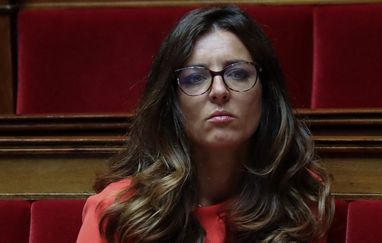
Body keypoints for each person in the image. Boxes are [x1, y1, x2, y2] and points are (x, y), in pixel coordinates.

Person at [76, 5, 333, 243]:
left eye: (239, 73)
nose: (219, 90)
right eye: (195, 78)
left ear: (266, 93)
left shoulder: (299, 201)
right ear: (172, 101)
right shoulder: (116, 210)